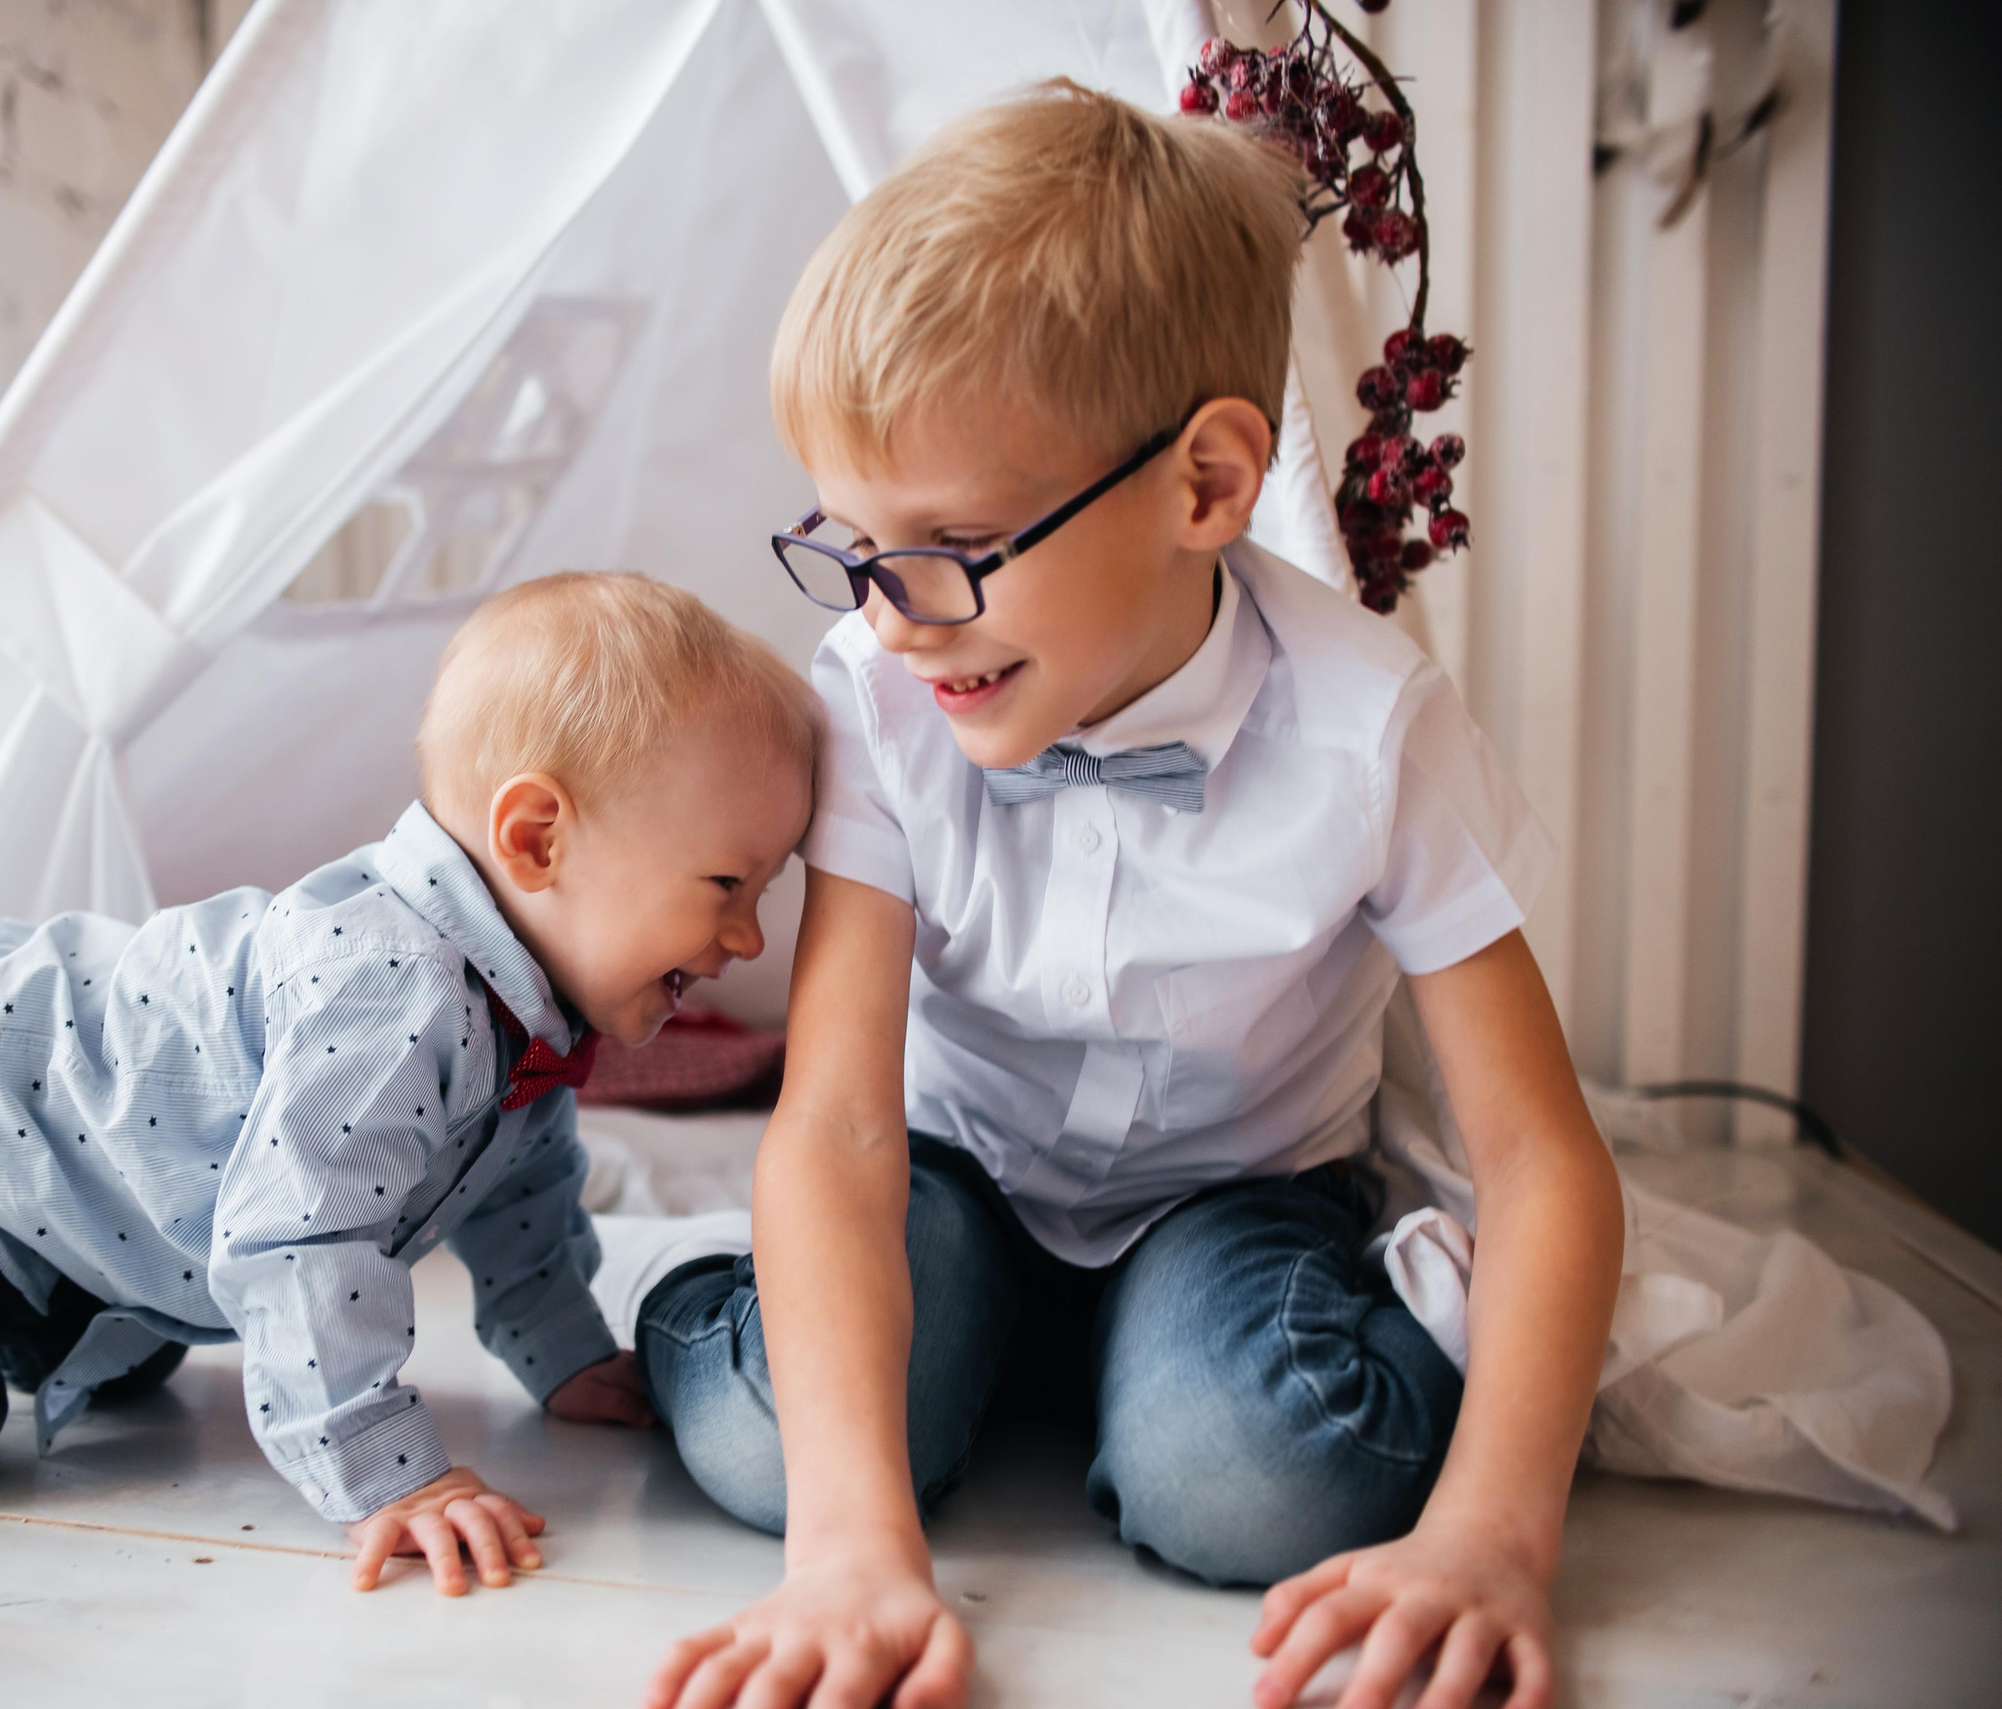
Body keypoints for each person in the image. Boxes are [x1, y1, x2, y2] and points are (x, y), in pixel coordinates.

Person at [622, 82, 1623, 1709]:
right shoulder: (877, 689)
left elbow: (1543, 1155)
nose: (893, 619)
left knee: (1259, 1475)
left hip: (1231, 1192)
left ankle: (1169, 1356)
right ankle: (749, 1312)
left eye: (950, 542)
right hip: (951, 1168)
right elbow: (838, 1126)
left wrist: (1495, 1533)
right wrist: (852, 1547)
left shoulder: (1374, 727)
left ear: (1208, 484)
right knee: (762, 1439)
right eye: (858, 548)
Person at [0, 571, 821, 1599]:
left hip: (55, 1164)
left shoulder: (529, 1015)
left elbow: (522, 1196)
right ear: (538, 841)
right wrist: (386, 1464)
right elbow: (301, 1239)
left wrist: (562, 1352)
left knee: (137, 1357)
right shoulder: (391, 983)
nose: (749, 937)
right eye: (726, 883)